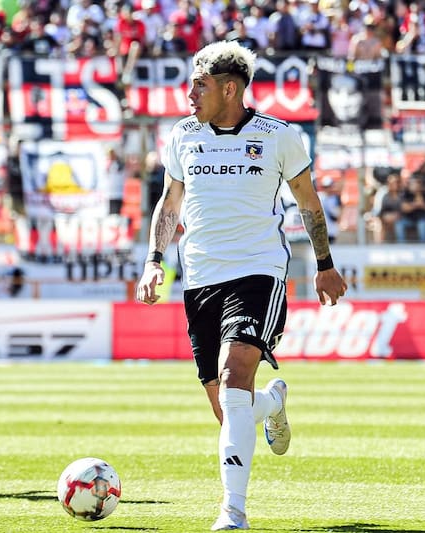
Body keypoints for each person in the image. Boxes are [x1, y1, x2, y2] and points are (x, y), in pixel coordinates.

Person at [134, 41, 346, 531]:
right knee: (227, 407)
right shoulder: (183, 134)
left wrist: (325, 263)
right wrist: (153, 261)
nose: (189, 93)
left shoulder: (278, 136)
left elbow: (308, 203)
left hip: (257, 272)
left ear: (230, 89)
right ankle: (271, 402)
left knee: (233, 381)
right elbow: (169, 205)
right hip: (200, 278)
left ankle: (233, 513)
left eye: (200, 85)